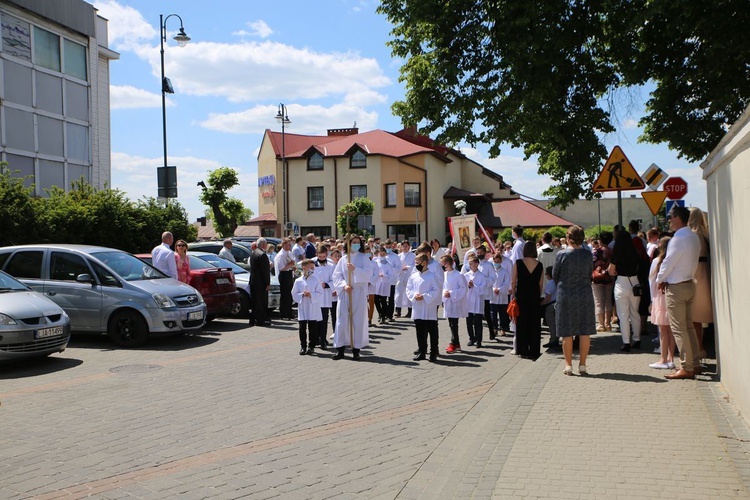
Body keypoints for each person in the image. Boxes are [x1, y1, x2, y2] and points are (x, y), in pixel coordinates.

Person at [657, 206, 701, 379]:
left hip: (677, 287)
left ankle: (686, 366)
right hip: (689, 283)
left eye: (670, 217)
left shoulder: (678, 238)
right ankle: (694, 363)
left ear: (677, 219)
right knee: (688, 326)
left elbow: (668, 263)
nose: (669, 220)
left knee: (679, 328)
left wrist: (660, 279)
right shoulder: (693, 237)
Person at [553, 226, 596, 374]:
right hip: (584, 294)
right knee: (584, 331)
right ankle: (583, 364)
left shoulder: (561, 255)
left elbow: (555, 275)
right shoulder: (588, 255)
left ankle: (568, 365)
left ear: (568, 238)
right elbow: (590, 273)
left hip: (565, 294)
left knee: (566, 331)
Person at [331, 235, 374, 360]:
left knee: (357, 320)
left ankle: (356, 349)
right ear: (348, 244)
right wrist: (344, 285)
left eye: (357, 242)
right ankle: (340, 349)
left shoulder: (364, 258)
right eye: (353, 242)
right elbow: (337, 275)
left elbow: (368, 274)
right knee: (342, 320)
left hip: (358, 292)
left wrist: (355, 269)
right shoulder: (343, 259)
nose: (356, 244)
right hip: (345, 293)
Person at [608, 230, 641, 351]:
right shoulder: (635, 253)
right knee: (635, 313)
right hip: (634, 282)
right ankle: (637, 339)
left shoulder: (617, 254)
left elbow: (611, 271)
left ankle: (626, 342)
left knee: (623, 315)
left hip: (621, 283)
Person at [688, 207, 713, 358]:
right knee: (698, 316)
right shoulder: (705, 234)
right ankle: (699, 347)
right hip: (704, 273)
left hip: (695, 273)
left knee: (693, 316)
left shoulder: (692, 235)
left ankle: (698, 348)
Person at [511, 241, 543, 358]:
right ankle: (534, 349)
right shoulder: (539, 265)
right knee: (534, 323)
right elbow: (540, 284)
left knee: (522, 322)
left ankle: (523, 349)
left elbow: (513, 281)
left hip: (522, 296)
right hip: (534, 296)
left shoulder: (518, 263)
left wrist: (513, 294)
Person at [407, 253, 441, 361]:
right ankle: (422, 351)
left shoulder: (432, 275)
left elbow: (436, 290)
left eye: (417, 263)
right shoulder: (413, 276)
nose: (416, 265)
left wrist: (425, 296)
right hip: (418, 307)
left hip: (429, 307)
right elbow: (409, 288)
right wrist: (414, 295)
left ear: (425, 263)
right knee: (420, 331)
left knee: (432, 330)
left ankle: (433, 352)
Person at [648, 236, 675, 369]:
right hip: (671, 295)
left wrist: (652, 300)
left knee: (663, 330)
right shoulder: (674, 261)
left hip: (659, 296)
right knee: (672, 329)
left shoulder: (656, 261)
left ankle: (663, 359)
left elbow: (652, 282)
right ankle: (671, 358)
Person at [292, 259, 323, 355]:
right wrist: (302, 294)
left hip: (312, 306)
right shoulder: (298, 281)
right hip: (303, 306)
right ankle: (303, 346)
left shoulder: (315, 280)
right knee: (302, 327)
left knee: (312, 327)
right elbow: (294, 293)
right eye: (310, 267)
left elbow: (320, 292)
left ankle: (311, 346)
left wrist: (311, 295)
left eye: (313, 268)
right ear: (304, 267)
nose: (312, 269)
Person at [441, 254, 467, 354]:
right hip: (447, 302)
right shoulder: (444, 275)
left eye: (445, 263)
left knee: (454, 324)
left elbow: (463, 288)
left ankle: (453, 343)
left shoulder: (458, 275)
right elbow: (442, 287)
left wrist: (451, 293)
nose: (443, 266)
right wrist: (444, 293)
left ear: (450, 263)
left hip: (455, 302)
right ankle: (457, 344)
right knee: (451, 323)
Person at [314, 244, 335, 349]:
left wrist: (326, 284)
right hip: (314, 296)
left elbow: (334, 280)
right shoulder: (312, 264)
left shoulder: (331, 266)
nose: (322, 259)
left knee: (324, 319)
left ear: (326, 255)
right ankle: (315, 339)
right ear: (316, 254)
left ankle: (323, 339)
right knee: (315, 319)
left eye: (324, 256)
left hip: (325, 296)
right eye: (320, 256)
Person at [592, 235, 614, 332]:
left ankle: (601, 325)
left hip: (597, 278)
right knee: (608, 300)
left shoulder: (596, 251)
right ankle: (608, 323)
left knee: (599, 302)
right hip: (609, 277)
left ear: (600, 240)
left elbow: (592, 264)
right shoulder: (612, 251)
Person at [464, 255, 487, 347]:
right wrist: (468, 286)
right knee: (469, 322)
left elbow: (483, 289)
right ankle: (471, 338)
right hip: (469, 301)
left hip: (477, 301)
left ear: (476, 264)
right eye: (469, 264)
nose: (469, 266)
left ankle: (479, 340)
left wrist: (474, 286)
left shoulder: (481, 276)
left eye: (471, 264)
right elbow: (463, 288)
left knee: (478, 322)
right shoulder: (466, 275)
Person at [249, 237, 272, 326]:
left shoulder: (254, 253)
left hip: (253, 281)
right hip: (261, 283)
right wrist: (267, 283)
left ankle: (252, 320)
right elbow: (265, 271)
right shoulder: (262, 255)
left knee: (254, 302)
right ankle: (260, 321)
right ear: (263, 245)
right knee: (261, 302)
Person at [490, 251, 511, 338]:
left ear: (501, 262)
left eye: (498, 262)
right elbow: (488, 282)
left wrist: (499, 289)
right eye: (495, 262)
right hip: (493, 296)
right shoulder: (491, 272)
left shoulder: (505, 272)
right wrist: (493, 289)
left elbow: (507, 283)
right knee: (493, 314)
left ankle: (502, 328)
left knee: (502, 314)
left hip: (502, 296)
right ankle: (494, 328)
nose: (497, 263)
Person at [274, 238, 296, 320]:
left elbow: (292, 263)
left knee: (290, 294)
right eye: (288, 244)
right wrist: (290, 265)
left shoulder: (289, 253)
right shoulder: (281, 255)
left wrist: (292, 267)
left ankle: (289, 312)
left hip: (289, 273)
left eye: (290, 244)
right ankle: (284, 313)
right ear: (283, 245)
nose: (290, 246)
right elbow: (281, 268)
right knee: (285, 294)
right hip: (284, 275)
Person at [394, 240, 415, 318]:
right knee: (398, 294)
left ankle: (410, 311)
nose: (405, 248)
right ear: (401, 247)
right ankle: (398, 311)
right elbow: (396, 266)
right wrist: (400, 268)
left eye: (406, 246)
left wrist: (408, 267)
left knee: (409, 293)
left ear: (409, 247)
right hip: (400, 276)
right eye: (403, 246)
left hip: (409, 276)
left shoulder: (413, 256)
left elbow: (415, 265)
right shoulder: (398, 256)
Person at [373, 246, 392, 324]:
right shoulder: (375, 262)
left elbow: (391, 274)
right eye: (380, 253)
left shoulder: (388, 264)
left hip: (384, 284)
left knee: (383, 301)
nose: (382, 255)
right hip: (376, 283)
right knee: (376, 300)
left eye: (383, 254)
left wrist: (384, 275)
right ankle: (380, 313)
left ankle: (383, 317)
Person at [384, 239, 400, 321]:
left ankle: (390, 315)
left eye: (389, 247)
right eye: (386, 247)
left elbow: (399, 268)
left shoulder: (395, 256)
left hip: (391, 281)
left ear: (392, 246)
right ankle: (384, 314)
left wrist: (391, 269)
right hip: (383, 281)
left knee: (390, 298)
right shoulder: (382, 255)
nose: (388, 248)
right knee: (382, 298)